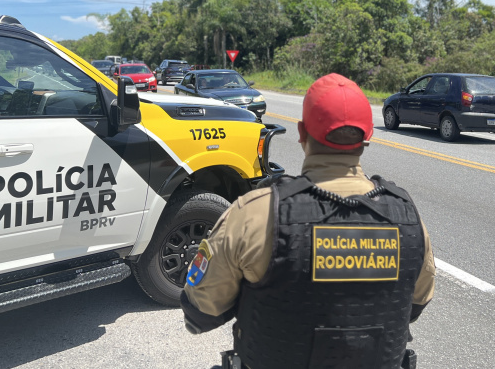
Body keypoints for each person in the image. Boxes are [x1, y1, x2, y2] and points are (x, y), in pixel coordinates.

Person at [181, 73, 436, 369]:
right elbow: (414, 305)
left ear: (302, 133)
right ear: (368, 136)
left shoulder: (254, 214)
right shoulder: (408, 217)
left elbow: (200, 313)